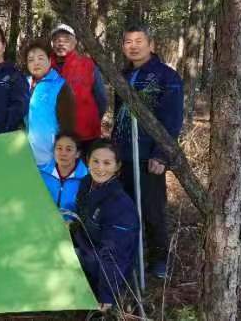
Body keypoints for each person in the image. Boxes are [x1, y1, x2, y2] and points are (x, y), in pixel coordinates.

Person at [111, 24, 183, 279]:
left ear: (151, 45)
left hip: (149, 157)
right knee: (125, 208)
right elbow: (118, 116)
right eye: (128, 42)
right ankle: (131, 256)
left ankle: (159, 259)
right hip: (124, 155)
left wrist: (161, 154)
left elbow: (172, 119)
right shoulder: (122, 75)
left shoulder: (166, 76)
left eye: (138, 41)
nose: (133, 46)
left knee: (152, 210)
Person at [72, 140, 139, 312]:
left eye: (107, 163)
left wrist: (106, 295)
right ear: (87, 161)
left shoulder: (120, 205)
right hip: (85, 248)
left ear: (117, 166)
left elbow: (114, 256)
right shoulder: (86, 183)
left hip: (101, 266)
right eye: (95, 161)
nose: (100, 168)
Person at [49, 24, 107, 149]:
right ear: (52, 44)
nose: (61, 43)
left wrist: (91, 120)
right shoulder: (45, 67)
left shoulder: (88, 65)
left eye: (66, 39)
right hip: (54, 136)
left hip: (86, 135)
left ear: (75, 42)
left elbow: (101, 99)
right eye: (57, 40)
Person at [25, 40, 75, 167]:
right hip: (26, 156)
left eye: (40, 58)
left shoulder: (60, 86)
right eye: (31, 60)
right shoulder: (24, 84)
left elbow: (67, 126)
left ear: (49, 60)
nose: (36, 63)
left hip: (50, 158)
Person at [39, 133, 88, 220]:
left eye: (68, 149)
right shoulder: (41, 173)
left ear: (77, 153)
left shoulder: (87, 179)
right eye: (59, 148)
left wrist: (72, 223)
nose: (63, 153)